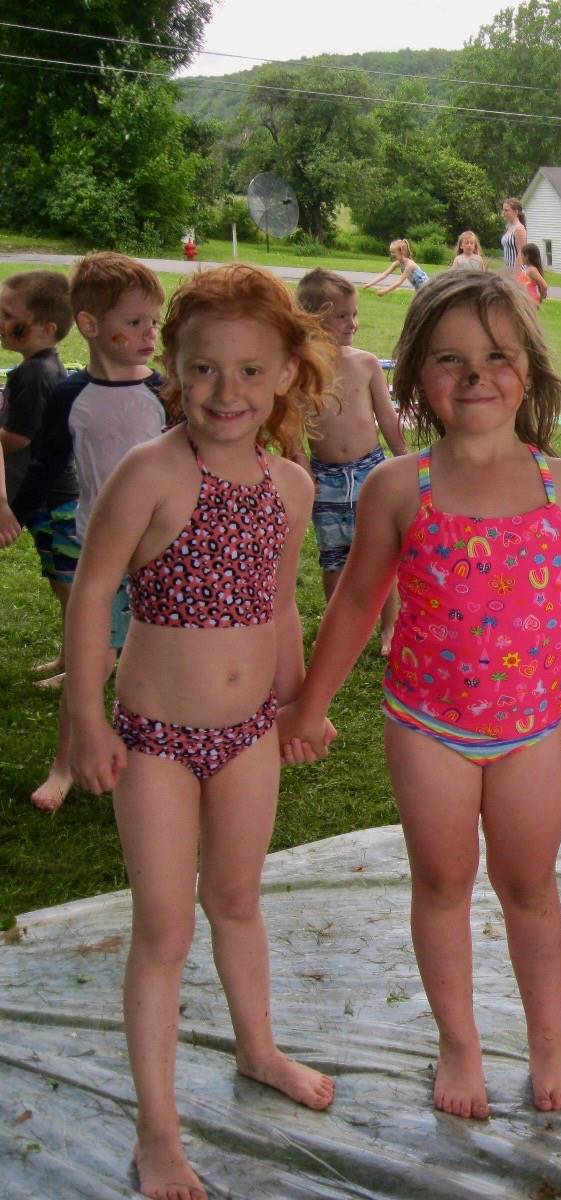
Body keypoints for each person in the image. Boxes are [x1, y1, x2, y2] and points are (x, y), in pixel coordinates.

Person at [277, 271, 561, 1116]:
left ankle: (548, 1040)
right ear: (418, 373)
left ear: (528, 370)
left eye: (496, 356)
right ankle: (458, 1045)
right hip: (427, 727)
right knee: (443, 884)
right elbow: (353, 607)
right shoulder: (398, 487)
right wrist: (311, 705)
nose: (474, 376)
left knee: (532, 887)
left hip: (533, 729)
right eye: (449, 359)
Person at [63, 264, 337, 1200]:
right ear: (174, 370)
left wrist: (300, 705)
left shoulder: (290, 486)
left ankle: (258, 1048)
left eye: (252, 372)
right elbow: (93, 594)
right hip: (155, 743)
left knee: (239, 899)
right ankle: (159, 1130)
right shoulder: (151, 472)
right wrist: (86, 723)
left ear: (287, 377)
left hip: (250, 735)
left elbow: (280, 604)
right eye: (207, 371)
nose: (229, 393)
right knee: (163, 928)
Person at [10, 253, 167, 812]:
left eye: (155, 320)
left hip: (162, 557)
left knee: (156, 664)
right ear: (91, 325)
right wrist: (14, 511)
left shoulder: (165, 393)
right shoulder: (70, 396)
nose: (150, 333)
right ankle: (65, 764)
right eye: (134, 323)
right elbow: (46, 464)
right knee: (91, 662)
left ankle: (156, 759)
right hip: (96, 553)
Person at [294, 269, 407, 654]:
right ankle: (338, 626)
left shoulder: (366, 364)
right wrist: (302, 475)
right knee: (334, 557)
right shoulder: (299, 371)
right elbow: (293, 431)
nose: (353, 324)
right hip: (325, 477)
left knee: (383, 554)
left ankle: (390, 626)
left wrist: (406, 462)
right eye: (343, 316)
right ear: (313, 317)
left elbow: (388, 419)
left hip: (370, 472)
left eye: (354, 314)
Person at [1, 270, 74, 680]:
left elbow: (16, 438)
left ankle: (81, 662)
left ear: (46, 329)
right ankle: (71, 658)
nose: (1, 321)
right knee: (59, 581)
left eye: (9, 314)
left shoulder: (34, 373)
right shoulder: (40, 365)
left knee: (69, 587)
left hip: (55, 497)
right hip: (48, 495)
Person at [363, 239, 429, 297]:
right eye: (391, 252)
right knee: (414, 306)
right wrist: (369, 284)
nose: (392, 254)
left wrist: (385, 291)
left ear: (401, 252)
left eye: (393, 252)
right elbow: (384, 275)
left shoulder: (409, 265)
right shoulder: (397, 263)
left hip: (427, 288)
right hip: (418, 288)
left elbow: (399, 282)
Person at [500, 198, 527, 275]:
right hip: (508, 270)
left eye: (506, 210)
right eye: (503, 210)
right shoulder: (508, 228)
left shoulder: (519, 229)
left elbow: (521, 253)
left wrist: (515, 274)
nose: (503, 213)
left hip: (518, 272)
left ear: (516, 211)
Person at [519, 242, 549, 307]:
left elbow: (544, 286)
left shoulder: (532, 270)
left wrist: (540, 300)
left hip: (529, 301)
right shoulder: (526, 269)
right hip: (524, 300)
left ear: (527, 257)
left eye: (522, 255)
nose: (521, 257)